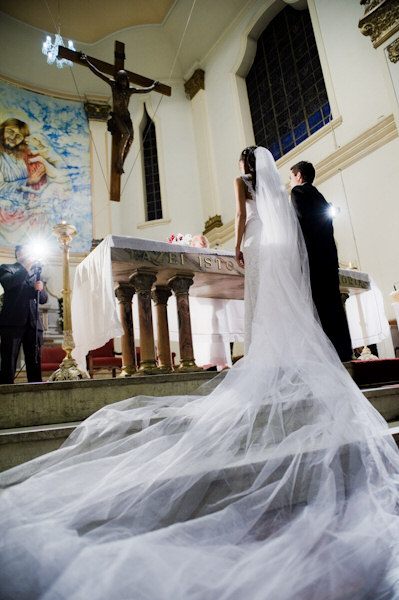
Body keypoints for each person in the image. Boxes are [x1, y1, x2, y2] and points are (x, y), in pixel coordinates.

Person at [1, 148, 399, 600]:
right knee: (279, 305)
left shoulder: (243, 183)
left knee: (260, 306)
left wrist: (234, 246)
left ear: (243, 165)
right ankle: (286, 356)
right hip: (279, 246)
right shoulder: (277, 189)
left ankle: (265, 356)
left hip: (254, 244)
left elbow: (239, 216)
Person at [289, 160, 353, 361]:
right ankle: (343, 350)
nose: (290, 182)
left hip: (313, 256)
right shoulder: (318, 195)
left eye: (291, 178)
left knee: (318, 304)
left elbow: (300, 223)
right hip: (329, 256)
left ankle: (325, 354)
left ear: (299, 176)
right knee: (333, 303)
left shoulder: (298, 193)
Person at [79, 53, 160, 174]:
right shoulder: (113, 85)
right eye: (121, 81)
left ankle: (122, 161)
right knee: (126, 135)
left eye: (124, 81)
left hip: (127, 117)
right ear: (118, 80)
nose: (123, 83)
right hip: (117, 117)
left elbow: (143, 90)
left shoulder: (129, 90)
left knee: (131, 138)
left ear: (127, 81)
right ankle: (118, 161)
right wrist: (87, 61)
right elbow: (98, 73)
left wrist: (153, 86)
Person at [0, 244, 48, 383]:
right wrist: (26, 267)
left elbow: (43, 299)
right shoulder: (6, 268)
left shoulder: (37, 273)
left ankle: (35, 392)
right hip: (12, 323)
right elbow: (9, 284)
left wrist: (41, 288)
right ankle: (6, 394)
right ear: (18, 253)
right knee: (8, 362)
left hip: (33, 325)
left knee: (35, 362)